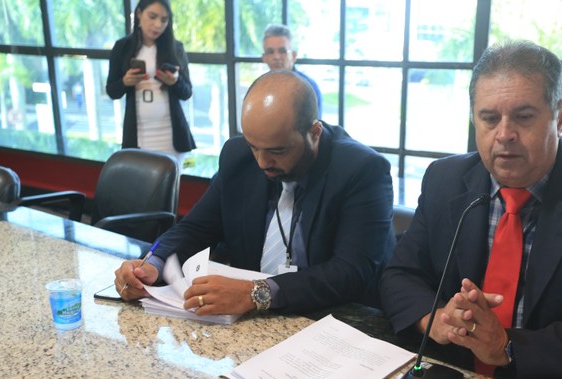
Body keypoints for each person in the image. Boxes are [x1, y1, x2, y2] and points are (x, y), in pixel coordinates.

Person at [380, 41, 562, 379]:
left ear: (559, 116)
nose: (504, 135)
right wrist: (436, 320)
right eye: (489, 118)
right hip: (453, 377)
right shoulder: (446, 179)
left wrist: (507, 346)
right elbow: (400, 274)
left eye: (523, 117)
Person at [114, 70, 394, 315]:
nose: (262, 162)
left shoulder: (362, 169)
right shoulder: (238, 156)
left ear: (314, 133)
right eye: (253, 146)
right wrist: (152, 264)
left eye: (277, 151)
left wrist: (257, 293)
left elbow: (350, 272)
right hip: (248, 319)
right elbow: (195, 228)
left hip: (333, 319)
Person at [106, 0, 195, 169]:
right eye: (152, 17)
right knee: (139, 183)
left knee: (171, 184)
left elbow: (187, 92)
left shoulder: (175, 48)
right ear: (139, 13)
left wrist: (174, 82)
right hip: (138, 135)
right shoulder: (122, 47)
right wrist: (125, 82)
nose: (158, 25)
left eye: (164, 20)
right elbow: (112, 91)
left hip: (171, 135)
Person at [261, 23, 323, 116]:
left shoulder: (309, 88)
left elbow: (315, 123)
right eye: (270, 52)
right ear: (264, 58)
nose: (276, 57)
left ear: (293, 56)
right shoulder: (259, 89)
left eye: (282, 51)